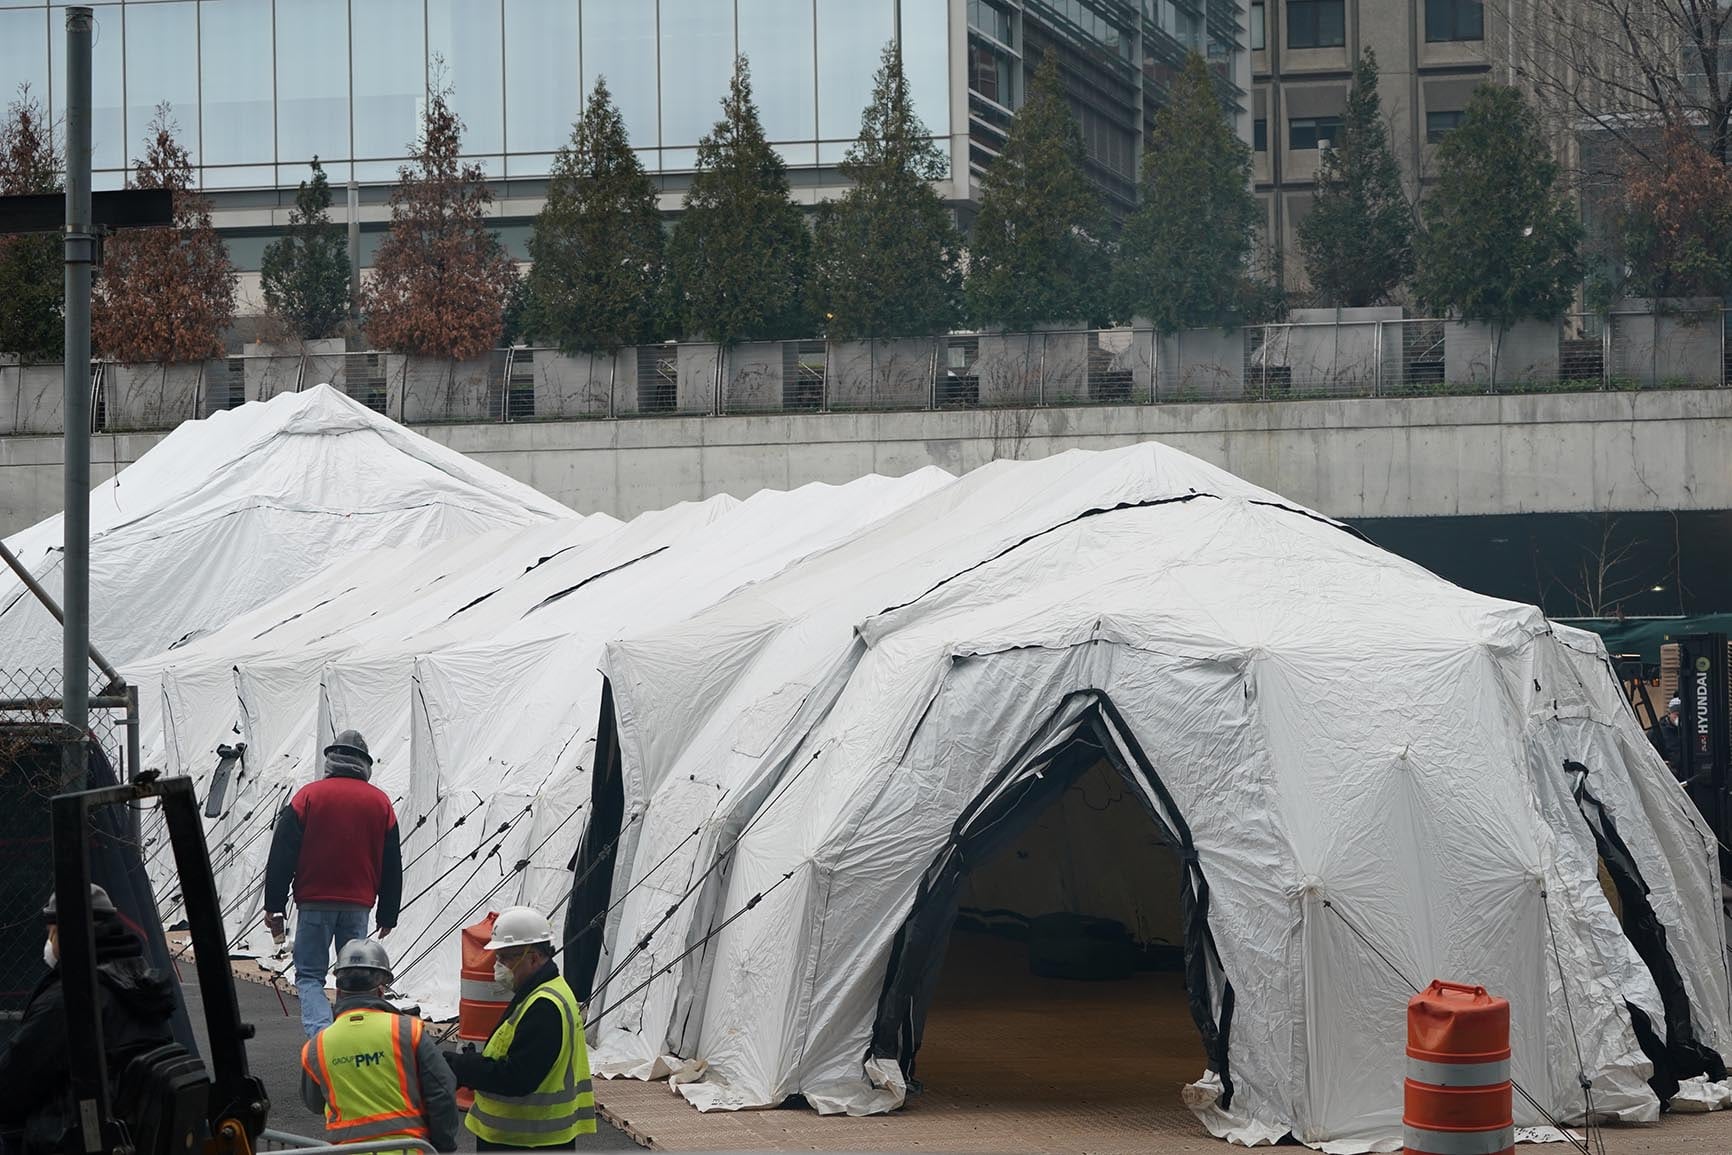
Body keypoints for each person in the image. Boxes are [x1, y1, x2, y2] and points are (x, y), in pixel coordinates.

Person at [0, 885, 176, 1153]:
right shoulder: (139, 980)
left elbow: (15, 1077)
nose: (48, 941)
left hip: (66, 1136)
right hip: (128, 1133)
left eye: (50, 932)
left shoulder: (71, 996)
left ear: (62, 931)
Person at [264, 729, 404, 1039]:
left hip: (314, 901)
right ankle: (353, 1038)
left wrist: (274, 905)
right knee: (354, 975)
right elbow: (392, 862)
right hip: (358, 904)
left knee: (310, 975)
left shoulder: (308, 797)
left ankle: (321, 1037)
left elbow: (283, 854)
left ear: (331, 760)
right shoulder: (380, 803)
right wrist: (388, 914)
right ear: (365, 764)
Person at [445, 907, 595, 1150]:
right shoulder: (544, 991)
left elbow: (517, 1077)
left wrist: (463, 1066)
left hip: (525, 1139)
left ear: (533, 957)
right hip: (532, 1136)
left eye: (505, 958)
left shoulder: (544, 1006)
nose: (498, 965)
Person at [301, 940, 459, 1152]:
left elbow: (314, 1103)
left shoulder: (316, 1046)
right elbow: (442, 1090)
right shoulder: (407, 1031)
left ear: (338, 991)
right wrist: (443, 1144)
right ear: (381, 990)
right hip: (410, 1150)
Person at [1652, 697, 1685, 778]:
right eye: (1676, 714)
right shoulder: (1657, 733)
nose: (1679, 718)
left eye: (1682, 715)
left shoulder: (1689, 732)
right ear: (1669, 713)